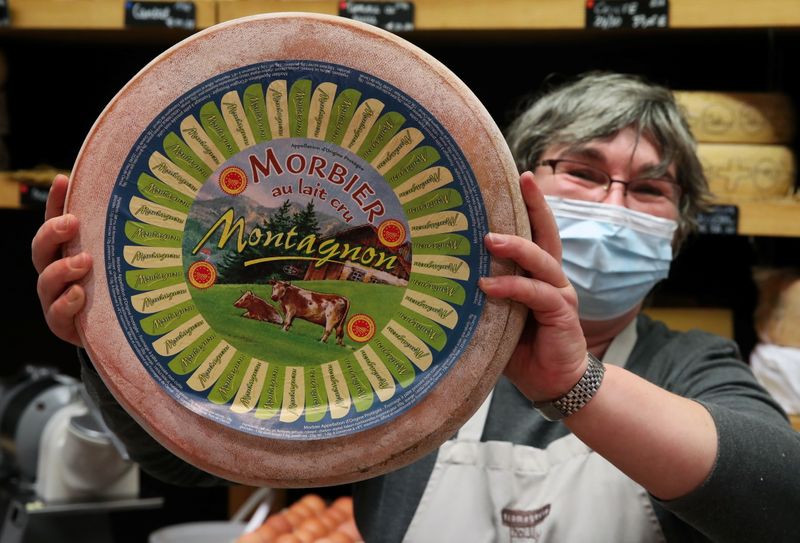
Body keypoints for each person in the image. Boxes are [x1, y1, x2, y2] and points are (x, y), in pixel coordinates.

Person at [32, 72, 800, 542]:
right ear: (511, 185)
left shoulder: (690, 362)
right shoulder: (414, 344)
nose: (613, 203)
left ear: (680, 225)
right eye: (583, 171)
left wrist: (573, 381)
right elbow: (194, 455)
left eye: (649, 189)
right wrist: (107, 343)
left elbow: (781, 504)